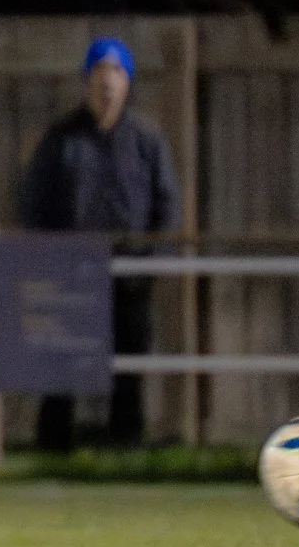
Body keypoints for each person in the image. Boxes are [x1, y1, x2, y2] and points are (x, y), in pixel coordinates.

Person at [17, 37, 180, 450]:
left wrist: (152, 260)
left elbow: (166, 203)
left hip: (130, 270)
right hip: (73, 270)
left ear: (128, 82)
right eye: (99, 73)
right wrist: (48, 257)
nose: (107, 83)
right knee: (63, 358)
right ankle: (54, 445)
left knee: (129, 360)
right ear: (86, 80)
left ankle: (126, 443)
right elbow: (33, 200)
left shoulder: (146, 140)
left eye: (116, 73)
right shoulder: (62, 139)